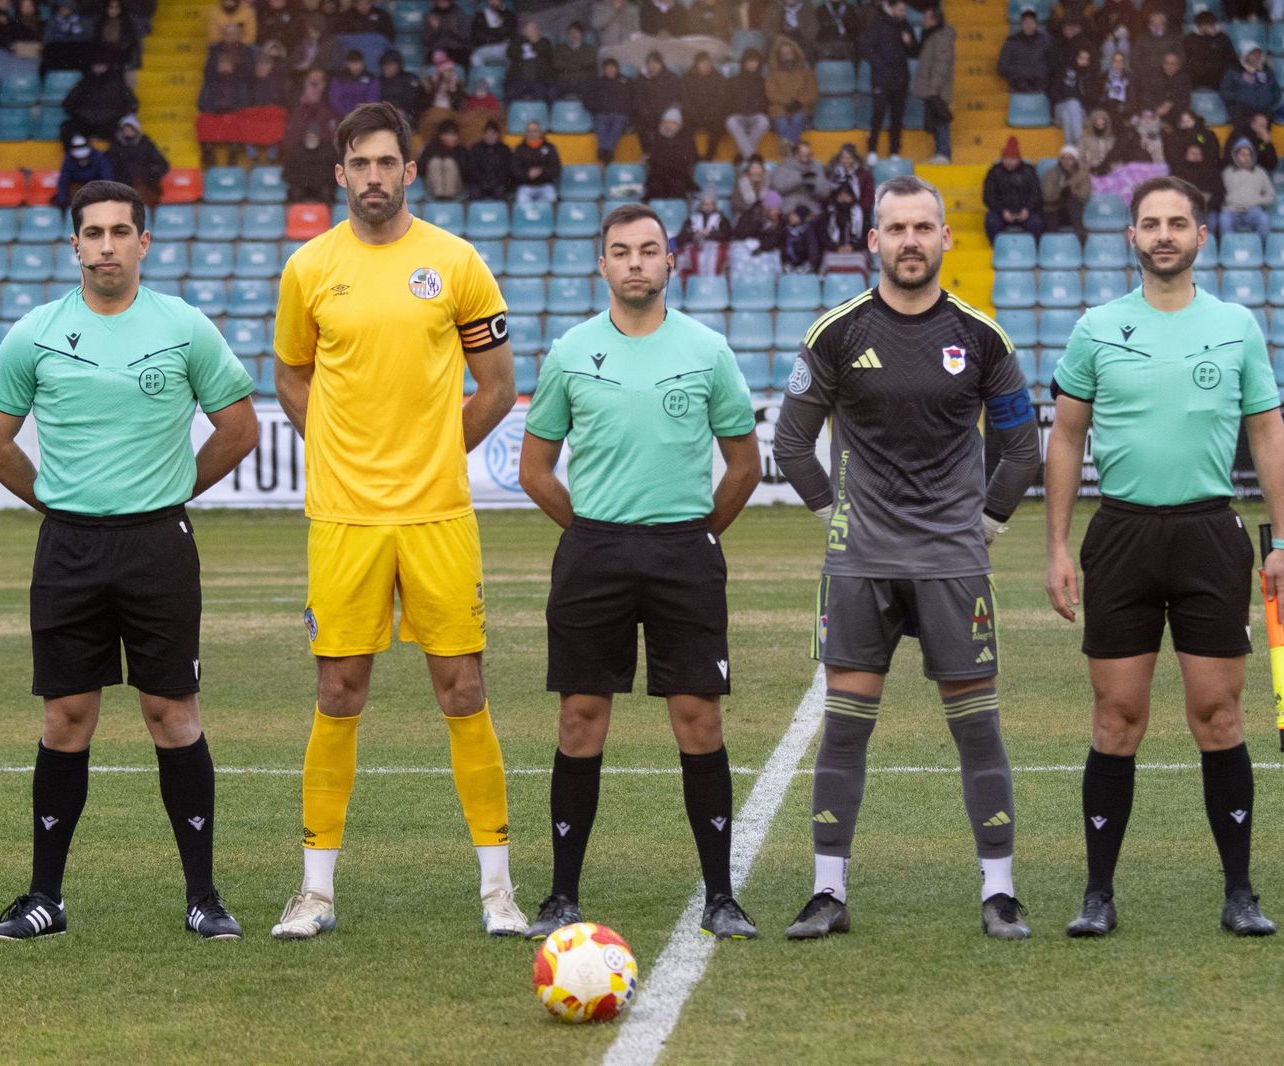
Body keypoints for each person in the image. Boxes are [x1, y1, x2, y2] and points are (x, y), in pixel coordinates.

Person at [0, 178, 259, 943]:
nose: (106, 245)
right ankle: (44, 898)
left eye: (119, 232)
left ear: (144, 243)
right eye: (92, 233)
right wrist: (57, 502)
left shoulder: (184, 326)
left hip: (158, 545)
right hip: (69, 547)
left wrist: (171, 492)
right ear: (74, 245)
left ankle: (204, 897)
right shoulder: (35, 332)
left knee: (172, 714)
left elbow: (238, 428)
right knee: (67, 717)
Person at [269, 102, 529, 940]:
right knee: (338, 692)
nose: (374, 177)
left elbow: (495, 388)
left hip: (436, 516)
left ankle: (497, 890)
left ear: (410, 171)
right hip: (344, 519)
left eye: (388, 163)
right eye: (360, 164)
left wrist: (432, 454)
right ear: (339, 173)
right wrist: (344, 452)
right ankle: (314, 892)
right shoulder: (308, 268)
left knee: (463, 689)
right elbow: (290, 377)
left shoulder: (455, 264)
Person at [772, 174, 1042, 941]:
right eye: (897, 230)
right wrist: (837, 520)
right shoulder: (837, 332)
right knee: (846, 726)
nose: (911, 242)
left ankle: (999, 892)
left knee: (977, 727)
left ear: (946, 238)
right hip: (861, 565)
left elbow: (1021, 447)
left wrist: (984, 524)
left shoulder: (983, 337)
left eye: (924, 228)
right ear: (874, 240)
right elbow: (791, 442)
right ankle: (828, 892)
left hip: (954, 565)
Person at [1045, 174, 1284, 940]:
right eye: (1150, 222)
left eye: (1177, 222)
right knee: (1117, 716)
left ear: (1199, 235)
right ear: (1131, 237)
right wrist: (1056, 545)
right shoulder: (1095, 327)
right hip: (1119, 536)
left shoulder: (1237, 326)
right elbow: (1065, 435)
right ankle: (1097, 894)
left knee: (1217, 714)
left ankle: (1241, 893)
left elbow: (1268, 434)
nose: (1163, 234)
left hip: (1208, 536)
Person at [517, 202, 762, 941]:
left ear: (670, 263)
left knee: (698, 718)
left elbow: (745, 466)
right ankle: (562, 895)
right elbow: (535, 469)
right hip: (594, 554)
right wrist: (593, 533)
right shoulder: (569, 352)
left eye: (648, 250)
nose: (635, 263)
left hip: (684, 552)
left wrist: (694, 535)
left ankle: (720, 895)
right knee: (580, 718)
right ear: (602, 265)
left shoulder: (708, 350)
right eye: (620, 251)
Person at [864, 0, 917, 164]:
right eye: (901, 10)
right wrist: (880, 66)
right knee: (878, 114)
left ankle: (894, 151)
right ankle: (872, 150)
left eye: (905, 11)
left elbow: (914, 51)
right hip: (882, 78)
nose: (903, 13)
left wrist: (910, 43)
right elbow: (867, 48)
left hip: (901, 78)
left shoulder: (905, 25)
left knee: (897, 116)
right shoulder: (878, 24)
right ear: (892, 8)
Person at [911, 4, 955, 164]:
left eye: (926, 17)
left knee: (941, 119)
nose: (923, 19)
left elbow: (941, 64)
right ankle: (940, 152)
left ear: (934, 20)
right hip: (932, 88)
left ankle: (943, 152)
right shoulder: (930, 35)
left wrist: (934, 89)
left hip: (938, 89)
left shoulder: (941, 37)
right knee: (936, 118)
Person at [983, 136, 1044, 242]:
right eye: (1006, 159)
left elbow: (1036, 194)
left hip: (1025, 212)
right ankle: (998, 248)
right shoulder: (994, 172)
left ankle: (1033, 249)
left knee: (1036, 223)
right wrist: (1002, 210)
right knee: (991, 222)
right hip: (1001, 212)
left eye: (1012, 159)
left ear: (1019, 159)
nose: (1009, 162)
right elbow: (988, 196)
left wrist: (1027, 209)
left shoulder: (1029, 171)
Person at [64, 59, 140, 140]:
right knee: (67, 128)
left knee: (126, 130)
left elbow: (132, 103)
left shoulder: (117, 83)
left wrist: (117, 116)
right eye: (96, 65)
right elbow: (69, 102)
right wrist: (81, 115)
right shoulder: (85, 82)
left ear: (107, 66)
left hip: (110, 124)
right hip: (87, 123)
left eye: (101, 65)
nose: (98, 67)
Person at [766, 34, 817, 154]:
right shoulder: (772, 74)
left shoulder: (806, 72)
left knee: (797, 119)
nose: (787, 57)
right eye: (784, 54)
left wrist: (799, 102)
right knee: (782, 122)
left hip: (801, 109)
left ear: (795, 53)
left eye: (789, 53)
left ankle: (787, 154)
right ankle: (793, 154)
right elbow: (771, 94)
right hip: (779, 109)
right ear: (778, 56)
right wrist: (787, 102)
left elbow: (812, 93)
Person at [107, 115, 170, 205]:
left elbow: (163, 165)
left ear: (136, 129)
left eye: (130, 129)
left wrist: (149, 173)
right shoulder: (115, 147)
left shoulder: (146, 144)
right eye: (125, 129)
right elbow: (111, 168)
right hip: (123, 187)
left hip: (146, 184)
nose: (127, 131)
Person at [1218, 139, 1274, 240]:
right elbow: (1219, 193)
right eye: (1242, 154)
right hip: (1232, 211)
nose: (1246, 157)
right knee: (1224, 220)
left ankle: (1261, 250)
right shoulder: (1227, 172)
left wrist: (1256, 200)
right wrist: (1226, 202)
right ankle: (1229, 249)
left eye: (1249, 155)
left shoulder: (1260, 172)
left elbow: (1271, 195)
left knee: (1264, 219)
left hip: (1253, 211)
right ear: (1235, 155)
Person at [681, 51, 730, 162]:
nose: (705, 65)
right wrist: (695, 115)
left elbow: (721, 100)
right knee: (685, 126)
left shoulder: (719, 78)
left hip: (711, 115)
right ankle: (693, 156)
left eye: (708, 62)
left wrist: (710, 113)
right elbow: (686, 100)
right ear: (696, 64)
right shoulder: (687, 78)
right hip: (693, 115)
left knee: (718, 126)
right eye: (702, 63)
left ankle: (709, 156)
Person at [725, 49, 771, 163]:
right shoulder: (733, 80)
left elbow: (766, 102)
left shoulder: (762, 81)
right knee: (730, 121)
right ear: (744, 63)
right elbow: (727, 101)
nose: (752, 64)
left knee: (764, 121)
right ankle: (752, 159)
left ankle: (744, 155)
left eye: (755, 62)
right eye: (749, 61)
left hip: (755, 116)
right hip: (738, 116)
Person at [632, 50, 682, 155]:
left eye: (656, 62)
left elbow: (673, 98)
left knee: (671, 122)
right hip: (648, 116)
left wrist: (660, 114)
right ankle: (648, 155)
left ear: (661, 64)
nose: (652, 65)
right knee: (640, 124)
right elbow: (638, 101)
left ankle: (668, 156)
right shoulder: (641, 80)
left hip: (665, 114)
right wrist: (648, 115)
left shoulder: (671, 78)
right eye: (649, 63)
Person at [1050, 45, 1100, 147]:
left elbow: (1092, 100)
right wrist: (1069, 99)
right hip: (1061, 107)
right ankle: (1080, 146)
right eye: (1081, 58)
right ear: (1076, 58)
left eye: (1086, 59)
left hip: (1081, 114)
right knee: (1072, 104)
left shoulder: (1090, 76)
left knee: (1067, 115)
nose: (1083, 62)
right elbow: (1054, 92)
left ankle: (1069, 150)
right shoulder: (1063, 71)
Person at [1220, 47, 1280, 131]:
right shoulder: (1234, 71)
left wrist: (1267, 101)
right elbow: (1226, 91)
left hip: (1263, 112)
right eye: (1253, 54)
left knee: (1261, 138)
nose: (1256, 57)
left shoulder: (1267, 72)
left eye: (1258, 54)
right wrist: (1240, 100)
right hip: (1242, 113)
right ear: (1245, 56)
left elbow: (1276, 92)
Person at [645, 107, 699, 198]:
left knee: (678, 186)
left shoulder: (686, 140)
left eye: (673, 123)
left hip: (678, 176)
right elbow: (652, 160)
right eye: (666, 122)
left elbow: (690, 159)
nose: (669, 126)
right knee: (655, 187)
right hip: (658, 177)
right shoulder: (655, 139)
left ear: (679, 125)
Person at [588, 58, 632, 165]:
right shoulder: (598, 82)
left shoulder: (626, 81)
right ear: (604, 70)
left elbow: (633, 99)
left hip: (620, 114)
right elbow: (590, 100)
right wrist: (598, 109)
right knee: (601, 123)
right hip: (603, 114)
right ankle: (605, 151)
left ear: (617, 69)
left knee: (618, 122)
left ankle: (607, 151)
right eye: (607, 68)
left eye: (612, 67)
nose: (610, 70)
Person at [770, 138, 830, 216]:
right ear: (795, 154)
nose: (805, 158)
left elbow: (825, 192)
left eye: (808, 154)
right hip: (790, 207)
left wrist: (812, 188)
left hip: (811, 208)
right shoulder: (785, 166)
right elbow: (778, 187)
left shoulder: (816, 166)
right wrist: (801, 178)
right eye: (802, 154)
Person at [1183, 10, 1238, 94]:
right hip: (1198, 79)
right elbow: (1187, 62)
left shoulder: (1222, 38)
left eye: (1214, 24)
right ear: (1201, 26)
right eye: (1211, 25)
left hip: (1219, 78)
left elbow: (1232, 58)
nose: (1214, 27)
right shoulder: (1189, 40)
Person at [1042, 143, 1091, 236]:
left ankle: (1081, 239)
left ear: (1075, 160)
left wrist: (1070, 190)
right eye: (1064, 158)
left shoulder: (1082, 174)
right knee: (1051, 218)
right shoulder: (1052, 174)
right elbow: (1047, 195)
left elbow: (1085, 194)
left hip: (1074, 210)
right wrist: (1061, 192)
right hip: (1055, 209)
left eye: (1070, 158)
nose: (1066, 161)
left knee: (1073, 201)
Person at [55, 134, 115, 209]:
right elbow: (63, 181)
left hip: (97, 192)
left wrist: (105, 198)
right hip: (77, 194)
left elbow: (107, 178)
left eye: (84, 158)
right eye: (79, 158)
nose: (82, 160)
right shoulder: (68, 161)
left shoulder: (99, 158)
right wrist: (62, 200)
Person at [998, 10, 1050, 94]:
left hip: (1040, 88)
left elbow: (1052, 64)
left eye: (1032, 23)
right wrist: (1022, 72)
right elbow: (1002, 67)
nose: (1029, 26)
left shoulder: (1045, 41)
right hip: (1017, 88)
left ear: (1036, 24)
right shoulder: (1012, 42)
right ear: (1021, 24)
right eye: (1026, 23)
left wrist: (1038, 72)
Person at [510, 119, 560, 206]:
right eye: (529, 131)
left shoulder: (550, 147)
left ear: (540, 133)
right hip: (525, 186)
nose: (532, 133)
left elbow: (556, 169)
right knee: (521, 204)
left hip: (545, 185)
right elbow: (514, 169)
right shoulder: (520, 148)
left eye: (535, 131)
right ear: (525, 133)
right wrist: (527, 174)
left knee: (551, 202)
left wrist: (541, 171)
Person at [283, 124, 337, 202]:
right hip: (301, 185)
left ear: (319, 137)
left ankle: (327, 214)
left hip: (322, 185)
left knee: (327, 193)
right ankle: (296, 214)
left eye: (314, 136)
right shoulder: (296, 150)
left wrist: (324, 181)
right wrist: (301, 181)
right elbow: (286, 172)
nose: (311, 138)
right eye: (309, 136)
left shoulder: (328, 150)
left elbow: (336, 170)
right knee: (295, 193)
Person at [504, 20, 554, 102]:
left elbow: (544, 49)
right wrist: (524, 54)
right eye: (527, 30)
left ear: (537, 30)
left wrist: (531, 47)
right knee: (511, 94)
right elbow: (510, 52)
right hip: (519, 80)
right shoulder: (518, 41)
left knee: (542, 95)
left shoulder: (545, 41)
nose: (530, 32)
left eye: (532, 30)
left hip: (538, 81)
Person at [417, 118, 466, 200]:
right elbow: (421, 169)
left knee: (449, 163)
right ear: (441, 135)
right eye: (448, 135)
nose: (451, 138)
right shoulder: (431, 149)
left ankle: (448, 195)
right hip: (432, 189)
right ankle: (439, 195)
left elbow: (466, 172)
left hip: (456, 188)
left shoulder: (460, 150)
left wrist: (451, 156)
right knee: (435, 162)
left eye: (453, 135)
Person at [464, 119, 513, 200]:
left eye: (493, 134)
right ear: (483, 135)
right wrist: (483, 182)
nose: (490, 136)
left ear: (497, 135)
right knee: (474, 193)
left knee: (501, 193)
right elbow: (472, 168)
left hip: (498, 183)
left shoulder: (504, 149)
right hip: (479, 183)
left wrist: (496, 182)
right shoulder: (476, 148)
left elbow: (507, 170)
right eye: (487, 134)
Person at [1137, 51, 1190, 123]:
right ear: (1162, 64)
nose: (1169, 66)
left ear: (1178, 66)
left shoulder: (1184, 79)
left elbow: (1185, 100)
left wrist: (1170, 104)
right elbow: (1146, 96)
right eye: (1166, 63)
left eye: (1173, 64)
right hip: (1155, 112)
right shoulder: (1154, 77)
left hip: (1175, 114)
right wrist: (1156, 108)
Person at [554, 21, 599, 104]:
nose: (573, 35)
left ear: (582, 35)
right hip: (565, 81)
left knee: (591, 91)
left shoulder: (589, 49)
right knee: (553, 92)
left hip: (582, 81)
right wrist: (579, 65)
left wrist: (568, 63)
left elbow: (590, 63)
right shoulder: (561, 48)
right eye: (571, 33)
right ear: (567, 35)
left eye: (576, 33)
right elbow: (557, 64)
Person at [379, 52, 427, 122]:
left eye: (390, 65)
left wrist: (401, 109)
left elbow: (413, 100)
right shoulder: (380, 80)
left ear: (399, 65)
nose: (387, 67)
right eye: (384, 65)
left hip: (406, 113)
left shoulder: (409, 78)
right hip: (384, 112)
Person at [329, 51, 380, 116]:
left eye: (358, 63)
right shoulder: (339, 79)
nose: (356, 66)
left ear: (362, 63)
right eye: (352, 63)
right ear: (347, 64)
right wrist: (345, 113)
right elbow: (335, 100)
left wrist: (361, 114)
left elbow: (372, 99)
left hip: (364, 115)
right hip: (342, 115)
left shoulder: (371, 79)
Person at [469, 0, 515, 66]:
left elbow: (510, 30)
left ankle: (510, 76)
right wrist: (497, 34)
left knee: (513, 55)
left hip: (504, 46)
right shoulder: (480, 16)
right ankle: (485, 76)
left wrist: (502, 10)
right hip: (487, 46)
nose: (494, 1)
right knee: (475, 57)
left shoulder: (507, 14)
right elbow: (477, 34)